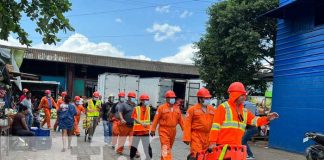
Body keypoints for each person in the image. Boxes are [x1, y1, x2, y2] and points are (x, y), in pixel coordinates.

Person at [209, 82, 279, 157]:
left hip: (237, 147)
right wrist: (212, 143)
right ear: (234, 95)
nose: (244, 97)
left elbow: (255, 121)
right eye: (241, 95)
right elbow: (215, 127)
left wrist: (267, 118)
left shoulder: (244, 111)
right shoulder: (223, 108)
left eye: (244, 95)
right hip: (223, 147)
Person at [150, 90, 184, 160]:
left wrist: (185, 131)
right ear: (167, 99)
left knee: (168, 148)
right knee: (166, 147)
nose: (173, 99)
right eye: (171, 98)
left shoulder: (177, 108)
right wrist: (153, 130)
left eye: (173, 98)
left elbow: (181, 121)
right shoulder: (161, 108)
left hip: (173, 131)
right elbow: (156, 119)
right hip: (163, 130)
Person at [183, 88, 215, 159]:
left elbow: (215, 124)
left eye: (209, 98)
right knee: (197, 155)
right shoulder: (192, 109)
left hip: (208, 136)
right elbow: (187, 124)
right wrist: (186, 138)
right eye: (206, 98)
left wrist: (214, 139)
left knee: (207, 156)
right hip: (196, 136)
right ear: (200, 99)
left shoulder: (212, 110)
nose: (208, 99)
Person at [130, 93, 153, 160]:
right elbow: (134, 118)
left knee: (147, 146)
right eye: (145, 100)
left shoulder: (148, 108)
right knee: (134, 147)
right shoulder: (136, 108)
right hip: (137, 132)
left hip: (145, 131)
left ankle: (149, 158)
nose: (147, 101)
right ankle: (131, 157)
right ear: (142, 101)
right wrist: (142, 123)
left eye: (147, 100)